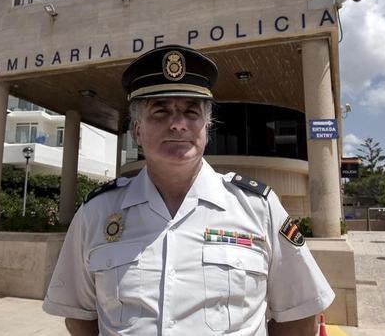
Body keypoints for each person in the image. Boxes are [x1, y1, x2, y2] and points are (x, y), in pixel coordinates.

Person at [42, 45, 334, 335]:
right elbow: (79, 316)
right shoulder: (96, 213)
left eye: (191, 112)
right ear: (137, 131)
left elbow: (300, 314)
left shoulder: (259, 208)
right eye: (160, 111)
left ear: (207, 127)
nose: (178, 125)